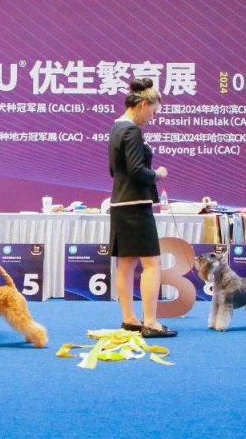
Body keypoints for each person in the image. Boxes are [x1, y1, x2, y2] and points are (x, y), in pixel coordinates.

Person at [107, 78, 176, 338]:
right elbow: (137, 171)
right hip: (136, 205)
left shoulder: (117, 128)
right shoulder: (132, 131)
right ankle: (151, 322)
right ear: (143, 104)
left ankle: (129, 319)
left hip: (120, 203)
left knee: (126, 264)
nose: (153, 117)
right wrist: (157, 174)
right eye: (153, 112)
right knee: (152, 263)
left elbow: (114, 170)